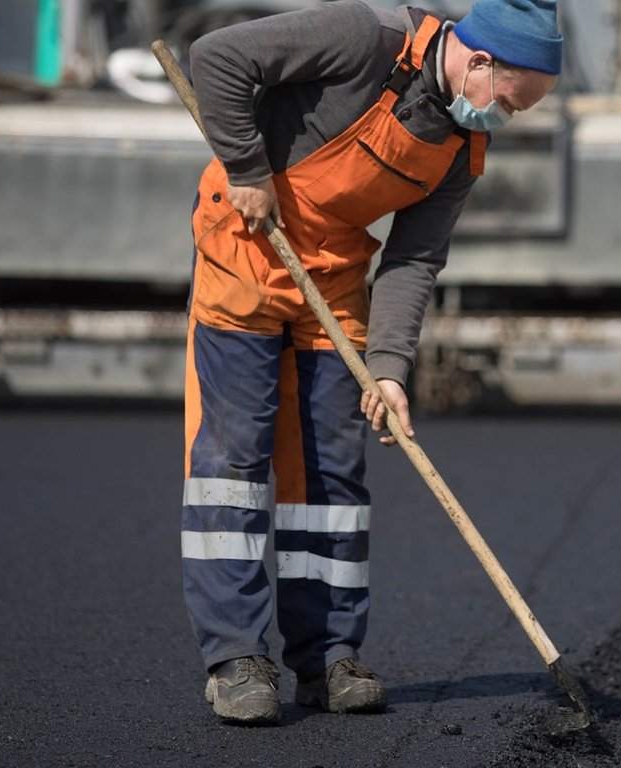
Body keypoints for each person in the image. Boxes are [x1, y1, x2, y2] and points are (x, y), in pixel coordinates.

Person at [182, 0, 561, 725]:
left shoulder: (460, 145)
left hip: (332, 279)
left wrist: (388, 366)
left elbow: (416, 258)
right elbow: (217, 58)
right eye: (508, 104)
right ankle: (235, 658)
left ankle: (328, 656)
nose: (504, 121)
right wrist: (247, 167)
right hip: (247, 252)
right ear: (479, 62)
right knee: (232, 468)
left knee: (331, 468)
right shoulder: (366, 37)